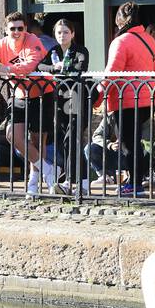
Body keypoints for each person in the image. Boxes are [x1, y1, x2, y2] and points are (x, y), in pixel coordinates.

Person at [0, 11, 57, 196]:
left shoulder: (32, 41)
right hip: (20, 94)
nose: (16, 32)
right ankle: (48, 170)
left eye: (20, 28)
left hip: (42, 92)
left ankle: (34, 183)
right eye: (12, 29)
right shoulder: (1, 45)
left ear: (25, 29)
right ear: (6, 30)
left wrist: (6, 68)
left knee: (38, 141)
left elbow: (31, 65)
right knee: (12, 135)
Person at [39, 18, 91, 187]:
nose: (62, 35)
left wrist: (65, 68)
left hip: (76, 96)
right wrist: (54, 68)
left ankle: (77, 180)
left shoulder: (80, 50)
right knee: (63, 138)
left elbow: (81, 67)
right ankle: (74, 179)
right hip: (59, 98)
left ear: (73, 34)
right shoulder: (53, 50)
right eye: (59, 32)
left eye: (66, 32)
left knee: (74, 138)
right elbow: (40, 66)